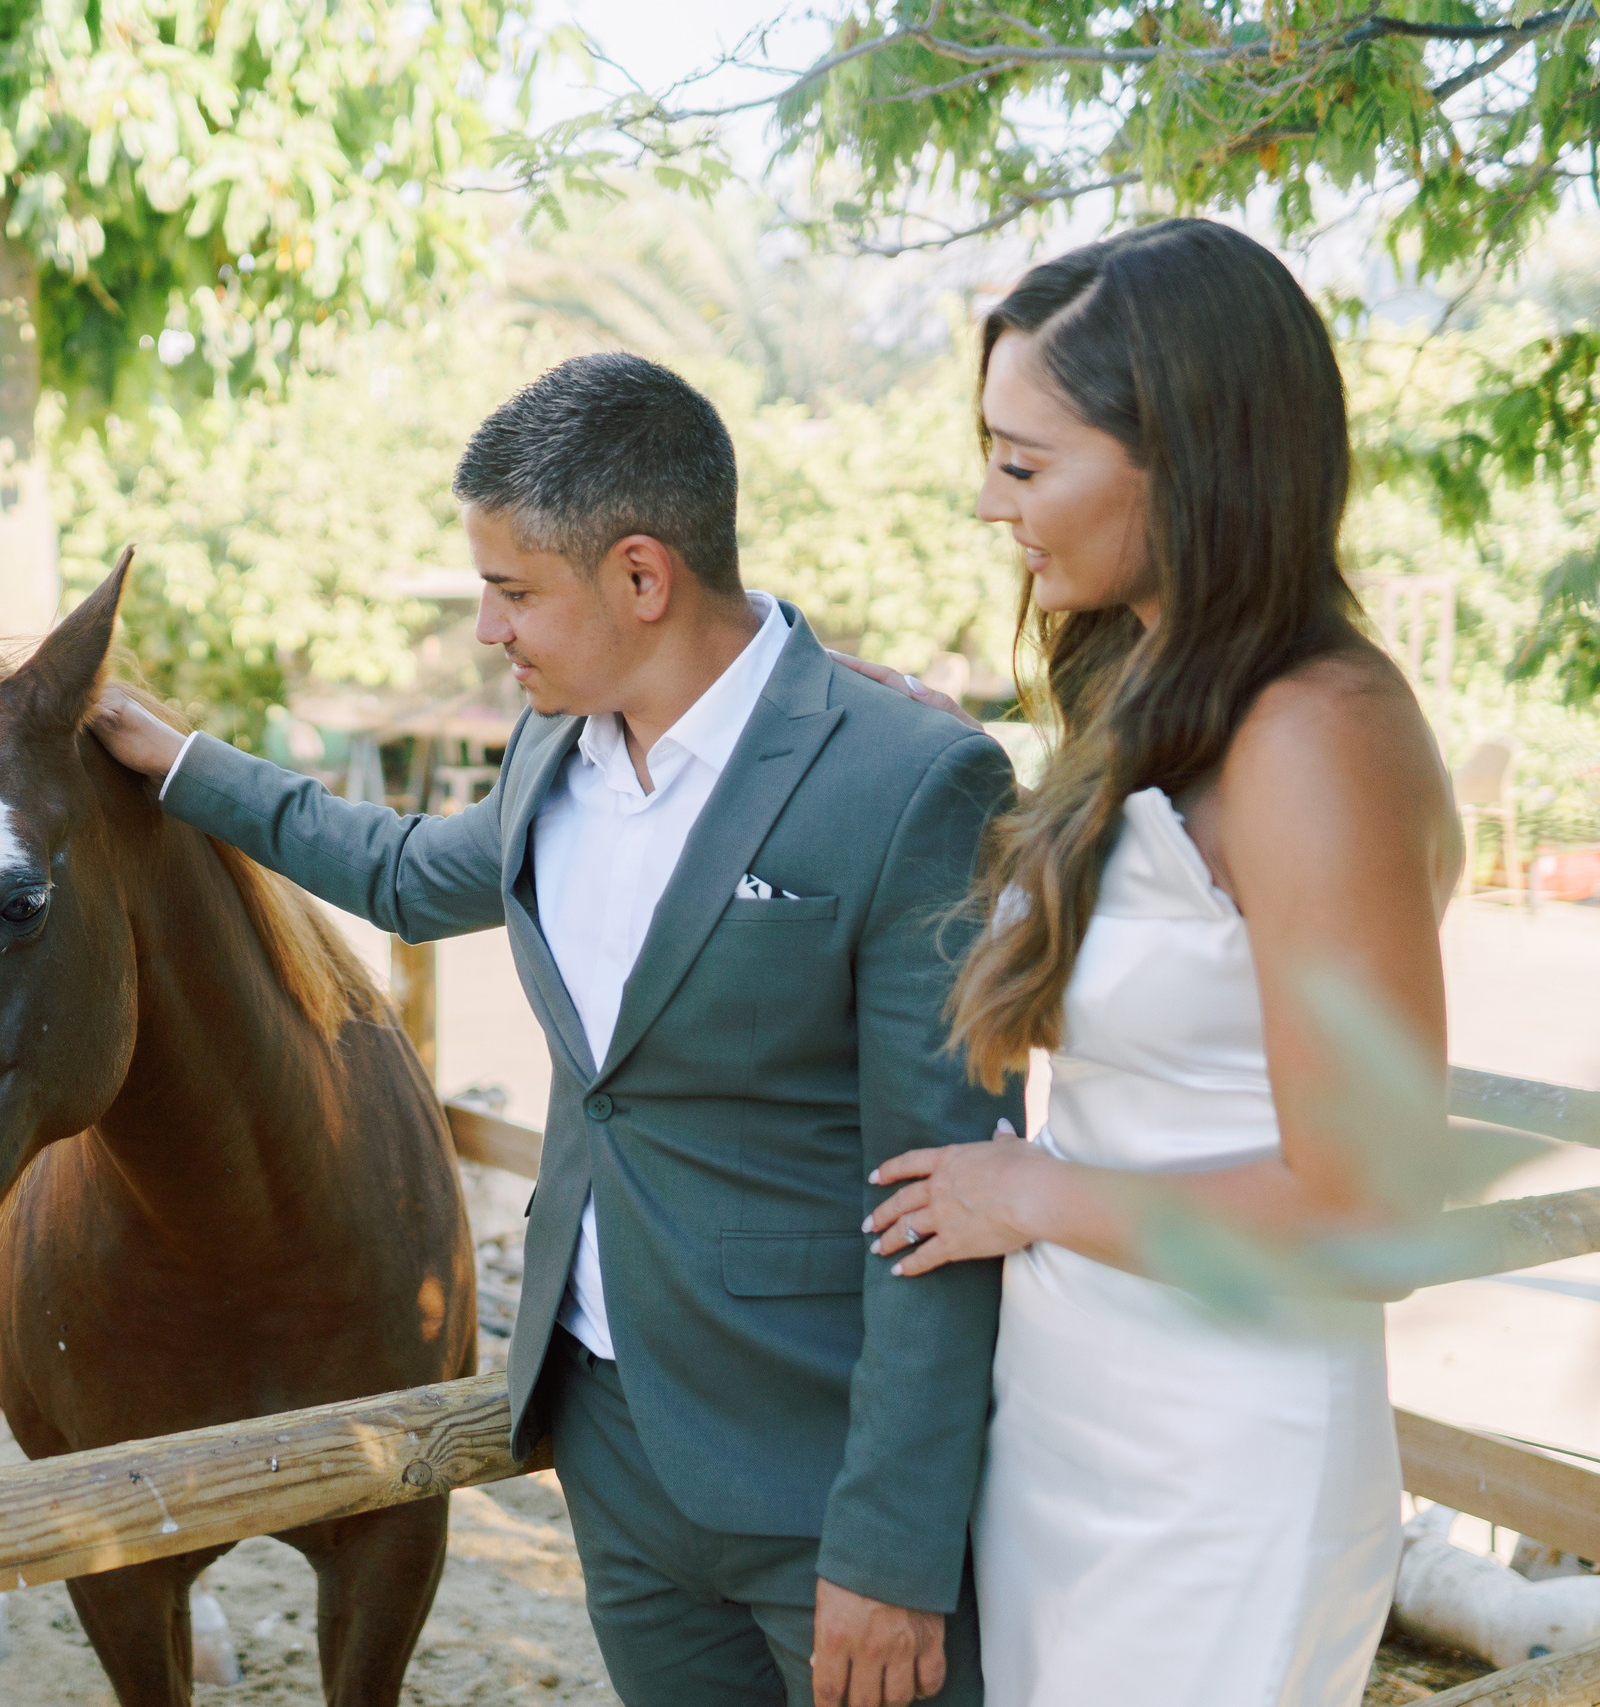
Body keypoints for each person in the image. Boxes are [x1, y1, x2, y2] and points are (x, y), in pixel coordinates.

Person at [89, 352, 1021, 1707]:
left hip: (821, 1474)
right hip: (612, 1450)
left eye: (512, 591)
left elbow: (946, 1201)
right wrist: (177, 762)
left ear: (642, 578)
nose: (487, 630)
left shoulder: (907, 777)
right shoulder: (552, 749)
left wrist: (892, 1549)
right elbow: (404, 872)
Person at [838, 219, 1460, 1705]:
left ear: (1182, 453)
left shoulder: (1314, 734)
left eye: (1026, 463)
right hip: (1081, 1410)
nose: (988, 502)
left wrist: (1033, 1189)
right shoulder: (1156, 691)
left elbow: (1372, 1198)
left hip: (1219, 1462)